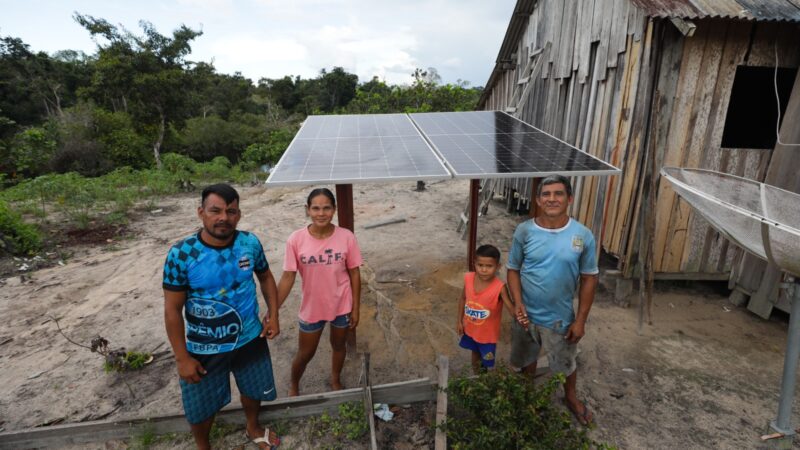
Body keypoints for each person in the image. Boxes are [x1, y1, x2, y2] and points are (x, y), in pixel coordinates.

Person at [163, 183, 281, 450]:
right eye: (215, 211)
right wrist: (182, 357)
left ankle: (253, 426)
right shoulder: (181, 254)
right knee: (200, 404)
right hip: (204, 346)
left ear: (238, 215)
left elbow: (265, 276)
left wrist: (273, 315)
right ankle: (203, 446)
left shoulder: (249, 243)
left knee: (253, 389)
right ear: (201, 212)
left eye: (231, 211)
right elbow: (172, 310)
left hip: (249, 336)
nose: (223, 218)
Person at [507, 174, 599, 426]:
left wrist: (580, 320)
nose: (552, 199)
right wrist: (517, 303)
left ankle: (571, 397)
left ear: (569, 199)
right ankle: (526, 398)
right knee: (526, 358)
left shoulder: (582, 235)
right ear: (537, 200)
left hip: (560, 317)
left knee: (566, 362)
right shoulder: (524, 231)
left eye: (558, 193)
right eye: (546, 194)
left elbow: (589, 278)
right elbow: (513, 269)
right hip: (525, 315)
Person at [277, 188, 362, 396]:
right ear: (307, 210)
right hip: (312, 307)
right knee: (305, 353)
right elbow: (288, 276)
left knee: (338, 345)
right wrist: (273, 309)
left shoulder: (346, 237)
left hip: (341, 305)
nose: (321, 213)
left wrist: (356, 308)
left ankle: (335, 378)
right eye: (315, 208)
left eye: (326, 208)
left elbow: (354, 273)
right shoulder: (295, 240)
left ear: (333, 210)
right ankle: (294, 383)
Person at [456, 244, 526, 373]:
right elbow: (463, 299)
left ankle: (483, 379)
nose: (483, 270)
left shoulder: (500, 288)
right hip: (470, 329)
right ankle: (477, 378)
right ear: (474, 264)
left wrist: (520, 316)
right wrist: (459, 321)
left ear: (498, 267)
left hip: (487, 336)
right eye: (480, 265)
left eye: (489, 266)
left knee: (486, 361)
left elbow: (511, 309)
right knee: (474, 354)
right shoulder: (469, 279)